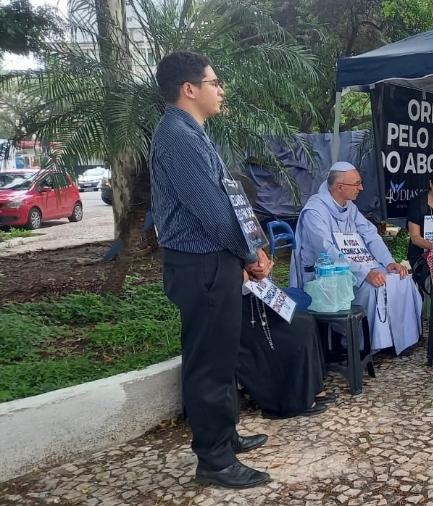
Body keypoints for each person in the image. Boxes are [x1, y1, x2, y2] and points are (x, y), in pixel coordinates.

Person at [150, 51, 273, 488]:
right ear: (189, 89)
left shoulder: (190, 132)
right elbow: (214, 214)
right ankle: (215, 461)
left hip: (214, 260)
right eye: (214, 82)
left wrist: (252, 246)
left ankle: (225, 435)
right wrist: (250, 254)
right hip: (200, 263)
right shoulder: (177, 138)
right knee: (208, 362)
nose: (221, 90)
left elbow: (228, 199)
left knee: (221, 354)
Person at [290, 161, 422, 355]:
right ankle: (363, 345)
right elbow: (327, 251)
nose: (361, 188)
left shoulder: (349, 207)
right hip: (326, 275)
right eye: (357, 183)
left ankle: (399, 339)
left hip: (355, 266)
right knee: (372, 286)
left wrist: (389, 262)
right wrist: (365, 273)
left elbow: (370, 235)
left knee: (401, 278)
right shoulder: (315, 212)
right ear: (339, 187)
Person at [237, 272, 328, 420]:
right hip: (239, 306)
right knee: (299, 329)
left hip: (257, 292)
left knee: (307, 320)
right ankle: (296, 399)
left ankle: (313, 387)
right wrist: (251, 270)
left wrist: (261, 265)